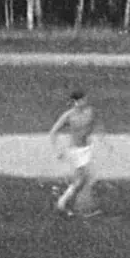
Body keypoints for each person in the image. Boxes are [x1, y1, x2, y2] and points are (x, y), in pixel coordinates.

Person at [49, 89, 99, 217]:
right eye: (82, 100)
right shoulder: (69, 116)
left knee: (86, 178)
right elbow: (53, 132)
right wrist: (58, 150)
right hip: (75, 150)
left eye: (85, 99)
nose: (85, 102)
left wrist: (105, 141)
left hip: (86, 149)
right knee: (81, 180)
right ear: (75, 102)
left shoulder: (90, 112)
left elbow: (94, 126)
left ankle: (80, 206)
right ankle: (64, 203)